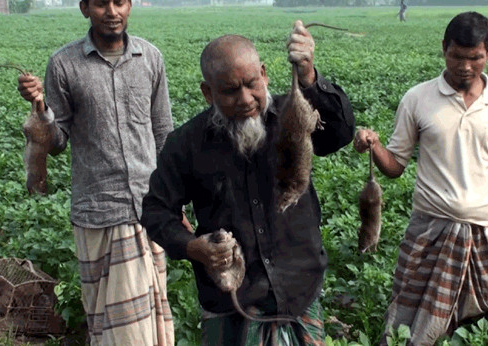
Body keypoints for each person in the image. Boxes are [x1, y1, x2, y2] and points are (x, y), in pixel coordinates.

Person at [141, 21, 356, 345]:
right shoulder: (187, 143)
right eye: (229, 90)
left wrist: (309, 76)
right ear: (207, 92)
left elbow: (339, 133)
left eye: (251, 84)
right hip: (230, 304)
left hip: (298, 292)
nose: (245, 98)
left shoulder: (292, 116)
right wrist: (192, 247)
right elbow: (156, 210)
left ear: (265, 75)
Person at [354, 11, 488, 345]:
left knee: (485, 320)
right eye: (457, 56)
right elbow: (395, 166)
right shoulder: (418, 99)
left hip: (483, 232)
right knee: (408, 328)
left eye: (475, 58)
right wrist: (375, 145)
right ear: (443, 49)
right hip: (429, 231)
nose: (465, 66)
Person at [17, 0, 177, 345]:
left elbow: (163, 133)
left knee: (147, 323)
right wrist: (41, 109)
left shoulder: (150, 58)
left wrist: (176, 198)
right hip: (97, 210)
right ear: (84, 8)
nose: (111, 11)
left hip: (148, 208)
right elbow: (57, 142)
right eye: (101, 3)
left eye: (118, 2)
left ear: (130, 5)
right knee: (110, 322)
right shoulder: (64, 64)